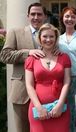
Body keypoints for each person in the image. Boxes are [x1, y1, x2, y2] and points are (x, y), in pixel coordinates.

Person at [0, 3, 47, 132]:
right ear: (28, 16)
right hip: (22, 92)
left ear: (45, 16)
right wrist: (28, 53)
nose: (36, 17)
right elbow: (4, 56)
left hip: (45, 93)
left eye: (39, 14)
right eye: (33, 14)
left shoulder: (50, 35)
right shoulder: (16, 32)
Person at [25, 23, 71, 132]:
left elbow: (67, 82)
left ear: (56, 39)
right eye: (45, 36)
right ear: (39, 38)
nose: (48, 39)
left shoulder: (64, 57)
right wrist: (39, 107)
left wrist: (60, 105)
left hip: (60, 110)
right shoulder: (31, 59)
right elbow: (29, 85)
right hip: (38, 110)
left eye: (51, 36)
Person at [59, 7, 76, 132]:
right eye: (67, 16)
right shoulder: (58, 38)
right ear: (62, 18)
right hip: (62, 80)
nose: (70, 19)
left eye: (73, 16)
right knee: (66, 110)